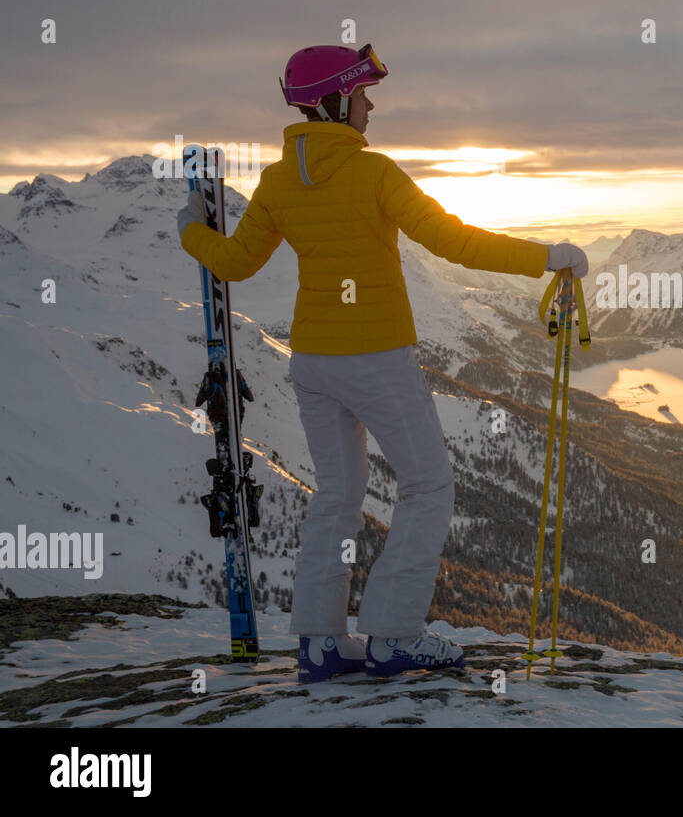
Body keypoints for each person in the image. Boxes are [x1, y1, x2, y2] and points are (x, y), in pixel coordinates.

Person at [177, 43, 588, 682]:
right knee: (427, 486)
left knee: (337, 492)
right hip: (376, 357)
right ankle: (393, 636)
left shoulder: (279, 181)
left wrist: (190, 232)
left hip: (313, 360)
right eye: (362, 95)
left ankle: (319, 643)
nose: (370, 107)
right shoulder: (375, 174)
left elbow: (232, 264)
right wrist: (548, 256)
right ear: (336, 101)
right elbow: (454, 240)